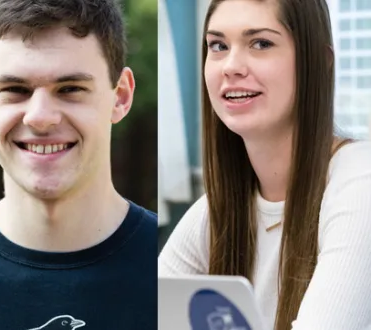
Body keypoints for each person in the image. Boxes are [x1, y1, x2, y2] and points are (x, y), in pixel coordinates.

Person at [158, 0, 371, 329]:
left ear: (319, 62)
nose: (231, 66)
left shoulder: (360, 181)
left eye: (261, 43)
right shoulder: (215, 211)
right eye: (218, 45)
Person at [0, 0, 158, 328]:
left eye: (70, 89)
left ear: (121, 96)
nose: (40, 117)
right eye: (15, 89)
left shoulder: (175, 265)